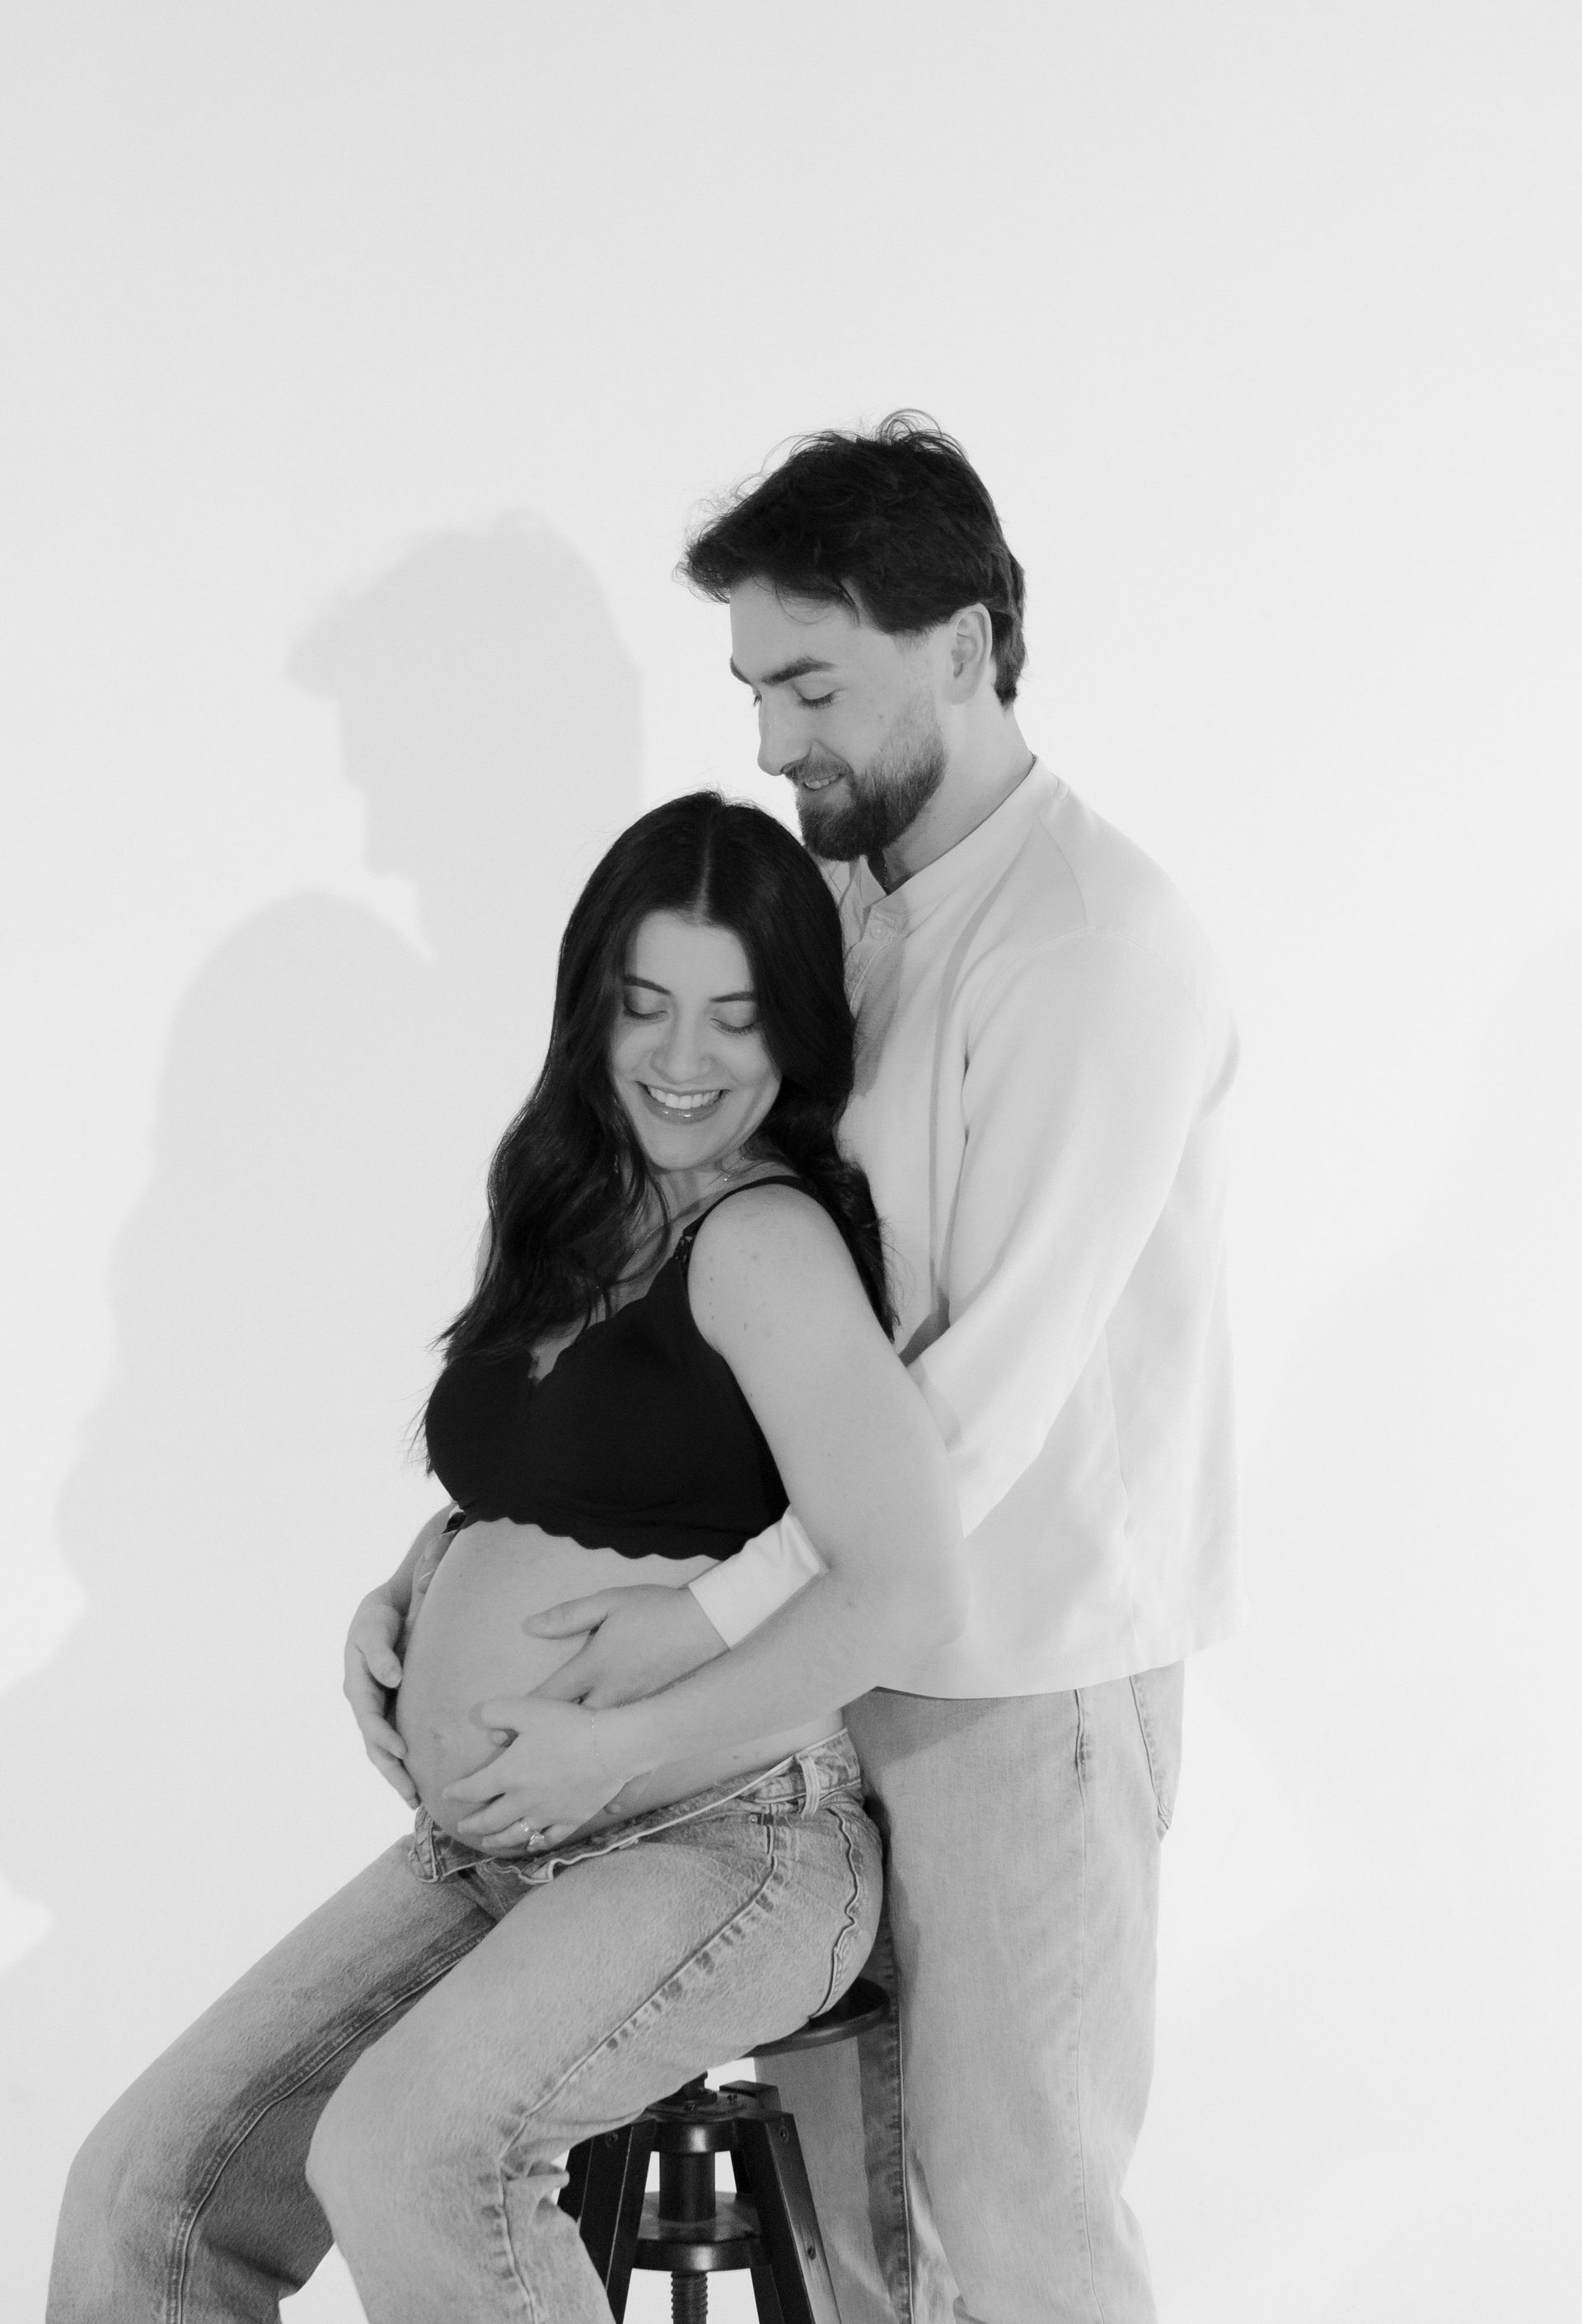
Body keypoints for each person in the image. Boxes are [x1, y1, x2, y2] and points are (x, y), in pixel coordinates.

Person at [496, 419, 1246, 2324]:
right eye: (752, 687)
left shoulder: (1088, 946)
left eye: (810, 684)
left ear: (970, 645)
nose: (769, 743)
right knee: (841, 2239)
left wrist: (692, 1627)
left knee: (1017, 2229)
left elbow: (983, 1399)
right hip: (832, 1671)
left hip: (1021, 1684)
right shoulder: (844, 909)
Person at [47, 792, 967, 2324]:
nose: (685, 1060)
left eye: (735, 1018)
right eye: (647, 1006)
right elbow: (543, 1478)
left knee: (411, 2153)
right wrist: (408, 1594)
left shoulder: (762, 1243)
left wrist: (608, 1750)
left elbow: (906, 1583)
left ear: (793, 1029)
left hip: (730, 1834)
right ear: (591, 1006)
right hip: (499, 1847)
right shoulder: (568, 1200)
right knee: (147, 2187)